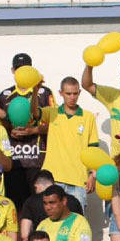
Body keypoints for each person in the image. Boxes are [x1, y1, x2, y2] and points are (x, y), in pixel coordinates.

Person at [39, 76, 98, 206]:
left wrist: (92, 175)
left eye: (75, 93)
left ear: (79, 93)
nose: (72, 97)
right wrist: (34, 91)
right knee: (51, 223)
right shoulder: (51, 112)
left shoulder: (88, 117)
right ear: (61, 93)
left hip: (78, 181)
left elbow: (93, 149)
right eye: (68, 93)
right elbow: (33, 113)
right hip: (52, 179)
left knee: (77, 223)